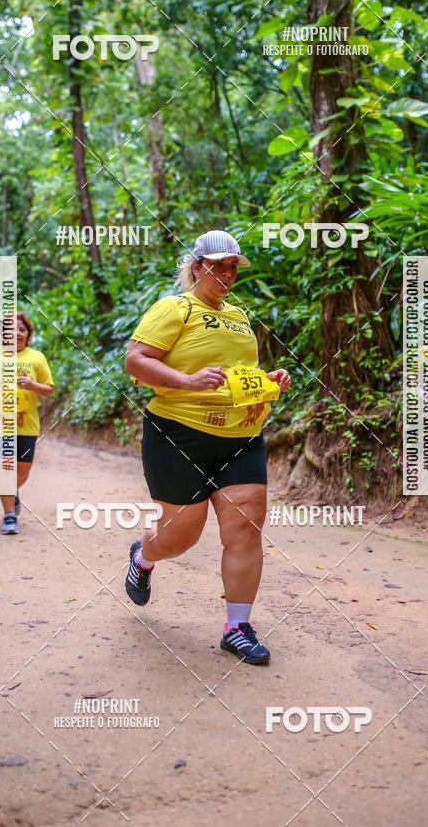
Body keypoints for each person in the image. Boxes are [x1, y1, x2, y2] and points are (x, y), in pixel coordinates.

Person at [124, 230, 291, 665]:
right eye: (219, 264)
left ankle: (237, 627)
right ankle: (144, 556)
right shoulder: (175, 308)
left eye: (233, 266)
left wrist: (265, 387)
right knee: (180, 538)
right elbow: (136, 360)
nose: (227, 273)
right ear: (196, 266)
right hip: (178, 435)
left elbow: (240, 374)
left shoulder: (239, 316)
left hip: (241, 438)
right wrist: (187, 381)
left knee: (246, 526)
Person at [0, 311, 54, 535]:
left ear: (28, 333)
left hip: (27, 424)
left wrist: (33, 385)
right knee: (5, 469)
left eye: (22, 329)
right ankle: (9, 515)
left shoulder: (37, 357)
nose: (17, 333)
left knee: (22, 472)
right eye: (11, 329)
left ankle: (12, 493)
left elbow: (48, 390)